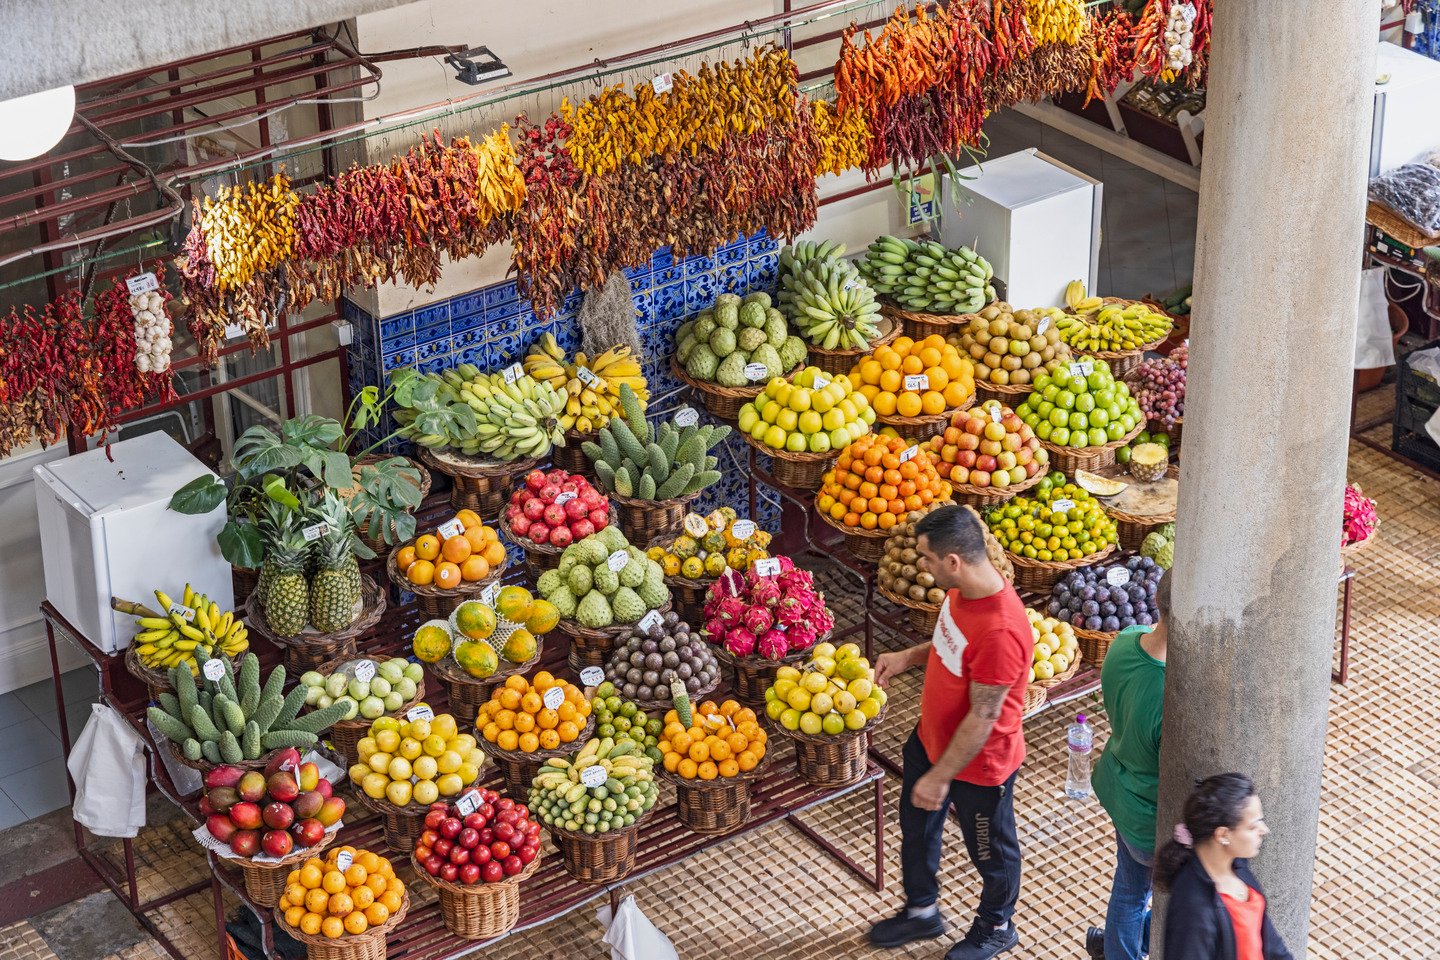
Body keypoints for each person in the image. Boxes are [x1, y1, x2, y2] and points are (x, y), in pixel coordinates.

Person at [866, 504, 1031, 960]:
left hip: (980, 767)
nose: (922, 564)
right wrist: (908, 656)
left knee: (991, 853)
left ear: (952, 561)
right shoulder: (961, 591)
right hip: (930, 740)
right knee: (917, 829)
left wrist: (941, 777)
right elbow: (950, 641)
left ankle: (997, 926)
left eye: (927, 557)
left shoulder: (1001, 630)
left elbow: (983, 716)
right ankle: (922, 911)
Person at [1086, 572, 1171, 960]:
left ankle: (1119, 945)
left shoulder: (1124, 641)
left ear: (1156, 600)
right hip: (1147, 816)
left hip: (1117, 787)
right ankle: (1123, 949)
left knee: (1130, 887)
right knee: (1138, 895)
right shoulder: (1169, 696)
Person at [1154, 773, 1294, 960]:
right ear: (1222, 835)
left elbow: (1270, 943)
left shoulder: (1238, 866)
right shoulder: (1192, 907)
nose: (1264, 830)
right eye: (1253, 826)